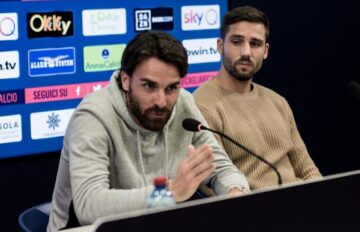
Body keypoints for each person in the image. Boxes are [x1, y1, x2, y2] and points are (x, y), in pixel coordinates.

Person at [47, 31, 249, 232]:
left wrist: (236, 192)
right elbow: (89, 206)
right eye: (149, 86)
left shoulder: (184, 103)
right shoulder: (92, 115)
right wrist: (167, 194)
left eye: (171, 88)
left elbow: (219, 167)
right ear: (125, 80)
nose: (161, 101)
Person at [193, 6, 322, 190]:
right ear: (220, 46)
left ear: (266, 50)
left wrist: (322, 201)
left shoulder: (278, 102)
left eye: (255, 44)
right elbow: (212, 186)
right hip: (252, 211)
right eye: (237, 42)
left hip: (302, 206)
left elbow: (308, 170)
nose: (246, 52)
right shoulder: (201, 105)